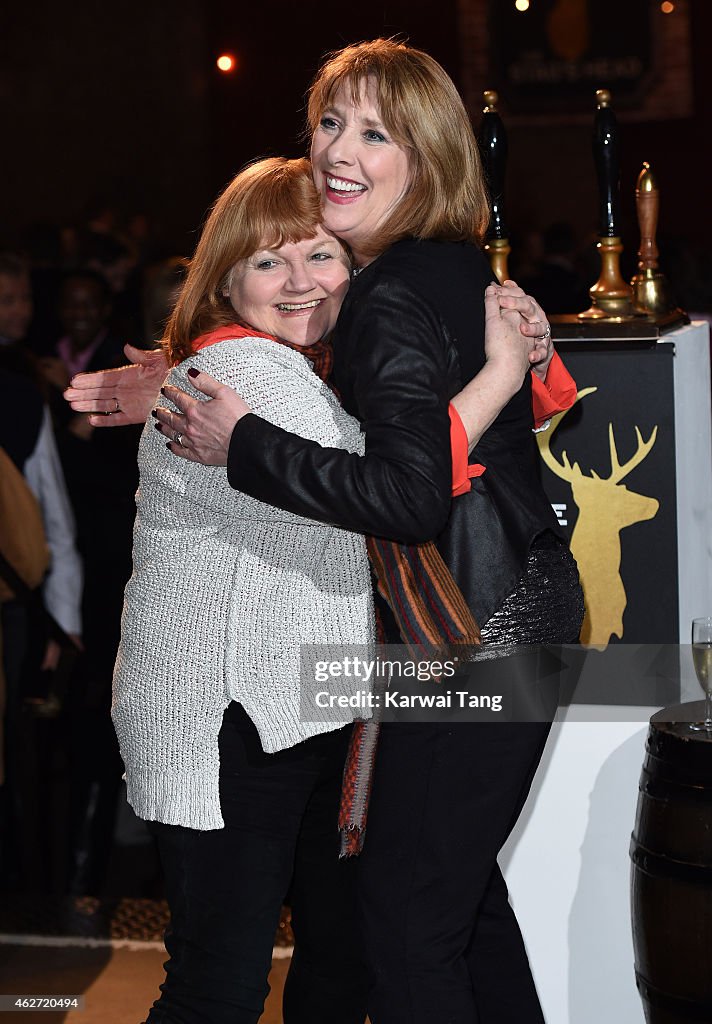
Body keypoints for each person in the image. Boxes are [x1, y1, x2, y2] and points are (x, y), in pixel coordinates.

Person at [146, 41, 582, 1024]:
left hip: (471, 625)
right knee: (460, 907)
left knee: (407, 925)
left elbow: (405, 492)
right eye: (331, 121)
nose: (339, 149)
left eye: (375, 132)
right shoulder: (445, 270)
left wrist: (240, 439)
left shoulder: (389, 293)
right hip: (504, 614)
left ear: (425, 161)